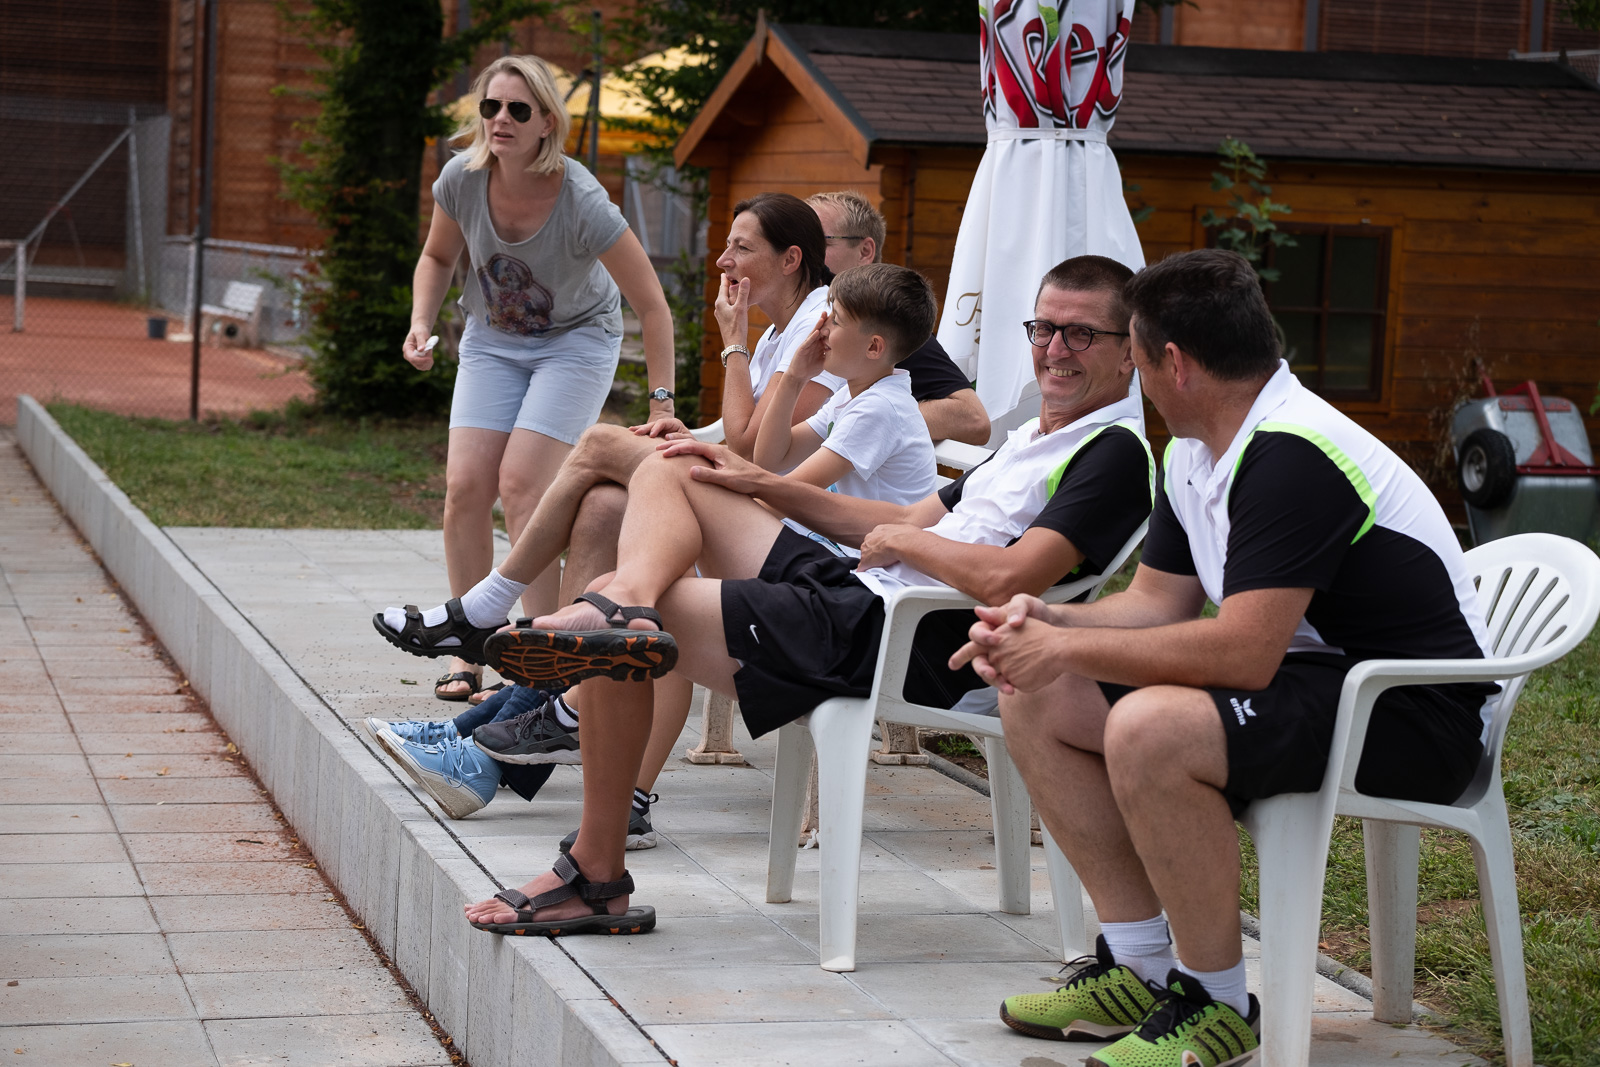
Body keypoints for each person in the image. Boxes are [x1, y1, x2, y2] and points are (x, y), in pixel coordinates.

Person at [456, 255, 1154, 937]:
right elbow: (905, 517)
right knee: (677, 469)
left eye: (1081, 333)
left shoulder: (1114, 452)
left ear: (1131, 352)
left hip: (902, 637)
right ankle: (625, 606)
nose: (1055, 349)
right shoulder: (1032, 435)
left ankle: (595, 870)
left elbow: (1010, 577)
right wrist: (753, 480)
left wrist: (908, 545)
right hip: (859, 592)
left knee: (620, 618)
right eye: (1044, 328)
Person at [960, 250, 1495, 1067]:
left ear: (1172, 362)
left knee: (1150, 728)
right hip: (1318, 681)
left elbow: (1243, 651)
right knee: (1040, 691)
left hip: (1414, 713)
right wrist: (1047, 622)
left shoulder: (1294, 453)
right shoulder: (1194, 450)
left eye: (1136, 358)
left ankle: (1215, 1004)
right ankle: (1138, 968)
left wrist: (1065, 641)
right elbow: (1155, 604)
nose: (1137, 378)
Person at [371, 263, 942, 824]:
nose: (821, 328)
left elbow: (782, 490)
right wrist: (793, 376)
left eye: (834, 320)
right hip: (809, 555)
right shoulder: (856, 394)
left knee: (610, 457)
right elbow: (768, 460)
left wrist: (705, 460)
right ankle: (556, 753)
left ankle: (490, 623)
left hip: (835, 585)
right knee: (608, 516)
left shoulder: (880, 407)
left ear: (872, 346)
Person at [401, 54, 676, 702]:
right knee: (466, 486)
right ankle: (469, 647)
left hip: (576, 341)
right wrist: (421, 321)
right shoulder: (462, 179)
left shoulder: (583, 200)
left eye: (518, 109)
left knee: (523, 485)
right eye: (491, 106)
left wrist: (662, 402)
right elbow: (437, 255)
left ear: (547, 122)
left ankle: (541, 659)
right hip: (494, 338)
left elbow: (652, 306)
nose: (500, 119)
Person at [807, 191, 990, 445]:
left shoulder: (887, 320)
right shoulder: (804, 316)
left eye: (819, 242)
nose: (805, 253)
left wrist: (871, 418)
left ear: (865, 251)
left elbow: (973, 419)